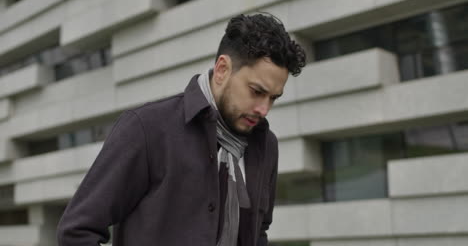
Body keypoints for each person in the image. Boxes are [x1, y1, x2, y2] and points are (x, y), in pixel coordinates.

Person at [57, 13, 306, 246]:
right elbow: (77, 231)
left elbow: (258, 232)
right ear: (222, 70)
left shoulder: (266, 146)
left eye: (273, 98)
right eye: (257, 91)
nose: (264, 109)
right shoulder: (147, 129)